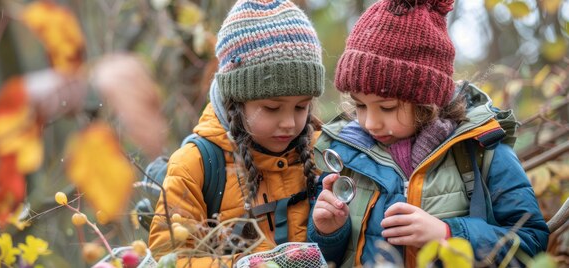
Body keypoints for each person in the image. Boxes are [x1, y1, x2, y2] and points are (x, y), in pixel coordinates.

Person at [307, 0, 549, 267]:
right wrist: (328, 233)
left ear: (427, 101)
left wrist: (448, 235)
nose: (370, 123)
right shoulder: (346, 154)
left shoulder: (481, 148)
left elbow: (531, 242)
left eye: (387, 107)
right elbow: (323, 256)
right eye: (360, 105)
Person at [148, 0, 325, 266]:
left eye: (301, 107)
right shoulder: (195, 165)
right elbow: (169, 258)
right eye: (272, 108)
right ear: (235, 101)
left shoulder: (323, 152)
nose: (289, 123)